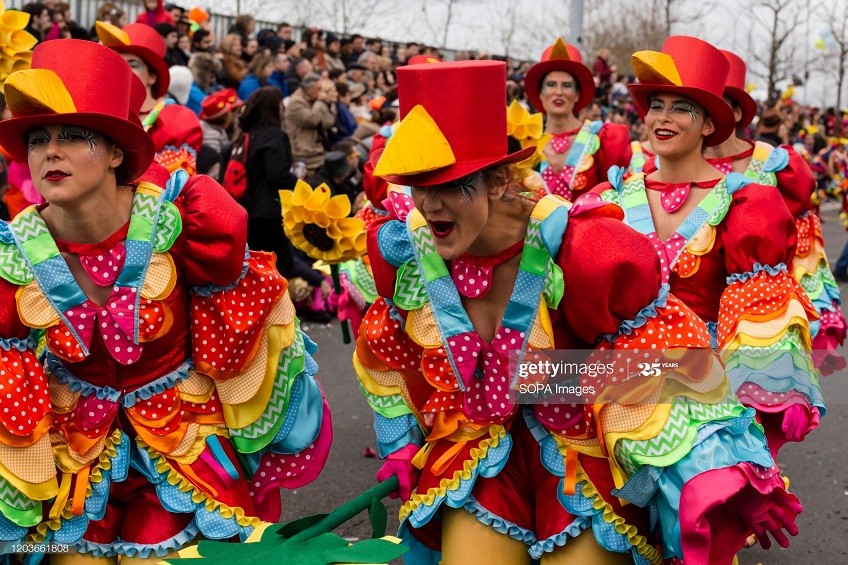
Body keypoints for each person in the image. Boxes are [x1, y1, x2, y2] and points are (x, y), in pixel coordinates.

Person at [356, 58, 800, 565]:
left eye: (451, 187)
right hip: (479, 457)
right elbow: (389, 350)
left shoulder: (587, 252)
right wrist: (396, 442)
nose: (429, 206)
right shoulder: (405, 249)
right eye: (419, 187)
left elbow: (678, 367)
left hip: (580, 460)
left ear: (500, 181)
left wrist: (717, 472)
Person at [0, 38, 331, 561]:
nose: (51, 151)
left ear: (115, 152)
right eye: (38, 138)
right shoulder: (13, 255)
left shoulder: (185, 222)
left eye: (74, 135)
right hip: (75, 465)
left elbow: (239, 335)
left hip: (183, 453)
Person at [589, 36, 823, 457]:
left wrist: (764, 397)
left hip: (705, 399)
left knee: (693, 513)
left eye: (682, 108)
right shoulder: (611, 199)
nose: (664, 117)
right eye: (656, 105)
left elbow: (757, 320)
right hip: (619, 394)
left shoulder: (745, 203)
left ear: (709, 125)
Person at [703, 50, 846, 376]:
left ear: (737, 113)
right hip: (697, 304)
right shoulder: (678, 164)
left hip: (758, 308)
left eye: (719, 103)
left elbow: (800, 243)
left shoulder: (775, 163)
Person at [524, 39, 631, 201]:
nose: (558, 92)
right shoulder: (525, 143)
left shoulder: (602, 139)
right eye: (551, 84)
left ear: (577, 94)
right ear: (540, 93)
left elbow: (617, 197)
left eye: (567, 85)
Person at [286, 72, 336, 174]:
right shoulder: (296, 102)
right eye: (318, 89)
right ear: (308, 89)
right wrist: (320, 102)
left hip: (319, 146)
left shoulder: (313, 99)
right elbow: (312, 120)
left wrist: (328, 103)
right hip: (304, 151)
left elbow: (329, 121)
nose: (321, 92)